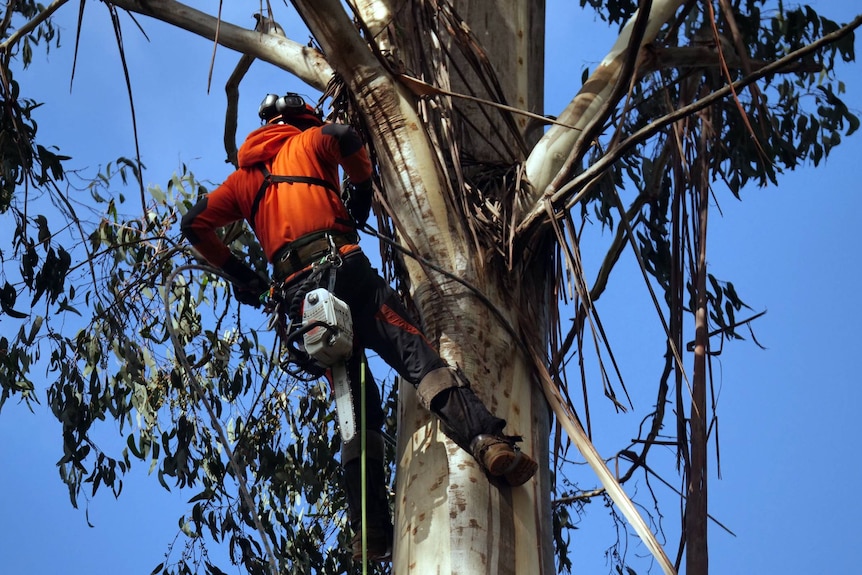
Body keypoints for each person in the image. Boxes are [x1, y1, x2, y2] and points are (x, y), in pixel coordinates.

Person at [180, 92, 538, 562]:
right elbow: (346, 136)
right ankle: (486, 440)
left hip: (301, 303)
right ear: (300, 116)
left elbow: (192, 224)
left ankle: (370, 534)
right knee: (413, 352)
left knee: (355, 409)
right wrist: (363, 187)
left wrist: (243, 275)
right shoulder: (309, 140)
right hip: (345, 269)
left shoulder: (243, 181)